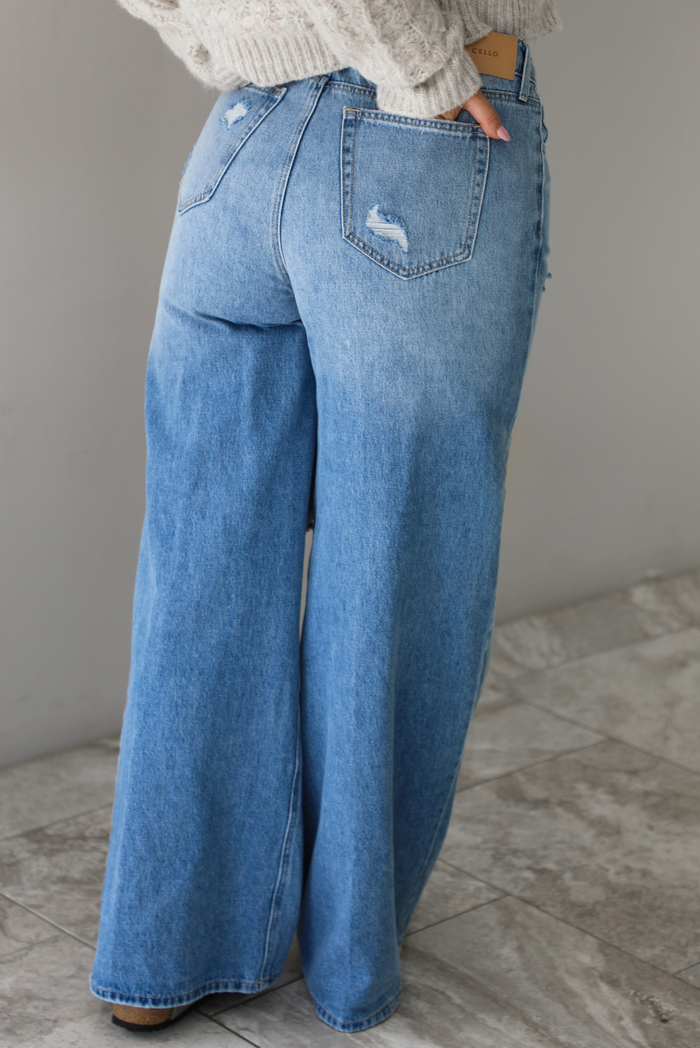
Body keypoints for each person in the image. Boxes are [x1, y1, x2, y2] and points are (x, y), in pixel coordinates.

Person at [91, 0, 561, 1034]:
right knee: (392, 570)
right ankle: (346, 960)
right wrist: (422, 65)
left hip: (242, 147)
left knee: (200, 573)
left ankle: (163, 949)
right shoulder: (418, 78)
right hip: (412, 134)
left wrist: (229, 40)